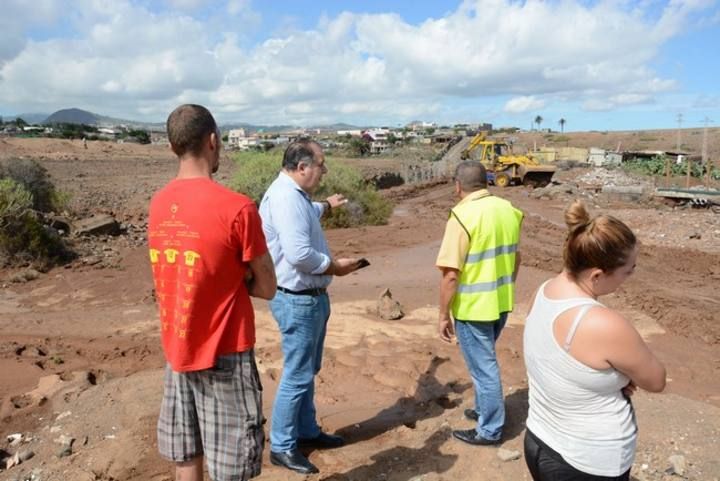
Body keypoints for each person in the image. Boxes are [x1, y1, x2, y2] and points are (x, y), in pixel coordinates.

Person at [148, 104, 276, 481]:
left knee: (186, 455)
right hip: (226, 352)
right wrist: (236, 281)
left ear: (173, 148)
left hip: (177, 348)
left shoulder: (157, 205)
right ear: (213, 142)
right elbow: (268, 286)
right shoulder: (238, 208)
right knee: (230, 466)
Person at [523, 200, 666, 480]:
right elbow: (656, 380)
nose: (631, 276)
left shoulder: (544, 291)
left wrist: (612, 377)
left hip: (540, 441)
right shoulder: (602, 323)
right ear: (597, 275)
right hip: (586, 461)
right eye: (628, 270)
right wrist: (623, 378)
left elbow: (564, 367)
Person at [259, 139, 365, 474]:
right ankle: (283, 446)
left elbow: (309, 211)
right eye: (321, 163)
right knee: (297, 374)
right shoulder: (287, 198)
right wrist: (336, 266)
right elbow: (300, 255)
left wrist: (328, 206)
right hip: (298, 300)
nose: (325, 170)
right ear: (302, 167)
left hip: (305, 299)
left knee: (306, 372)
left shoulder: (295, 196)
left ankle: (305, 431)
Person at [436, 161, 523, 445]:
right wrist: (506, 286)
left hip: (474, 308)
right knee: (483, 364)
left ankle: (490, 429)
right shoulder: (508, 210)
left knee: (484, 369)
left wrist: (443, 315)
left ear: (458, 185)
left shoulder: (461, 216)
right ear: (485, 183)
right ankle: (486, 410)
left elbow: (451, 275)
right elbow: (516, 258)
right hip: (500, 301)